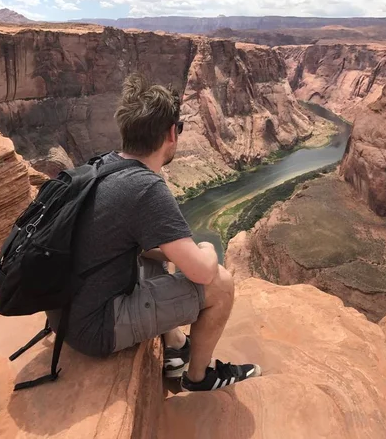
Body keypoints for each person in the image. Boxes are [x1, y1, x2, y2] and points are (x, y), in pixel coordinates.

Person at [46, 73, 261, 391]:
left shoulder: (102, 165)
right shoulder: (146, 188)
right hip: (96, 329)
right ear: (172, 133)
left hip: (65, 314)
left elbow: (133, 245)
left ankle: (176, 346)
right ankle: (198, 378)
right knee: (221, 284)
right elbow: (202, 274)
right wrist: (205, 247)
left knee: (159, 259)